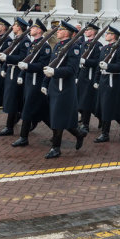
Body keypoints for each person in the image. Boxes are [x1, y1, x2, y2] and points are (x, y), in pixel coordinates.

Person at [41, 22, 86, 159]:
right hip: (55, 86)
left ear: (67, 33)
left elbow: (72, 70)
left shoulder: (74, 48)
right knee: (59, 117)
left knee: (58, 118)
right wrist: (45, 83)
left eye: (60, 30)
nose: (58, 32)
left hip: (65, 88)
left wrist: (54, 72)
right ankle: (79, 134)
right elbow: (51, 65)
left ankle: (56, 148)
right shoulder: (59, 46)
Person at [12, 19, 53, 147]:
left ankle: (23, 138)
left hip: (37, 82)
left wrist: (27, 68)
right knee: (43, 113)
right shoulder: (33, 44)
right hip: (29, 81)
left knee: (27, 109)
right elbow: (27, 62)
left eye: (34, 28)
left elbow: (42, 65)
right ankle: (71, 132)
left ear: (39, 30)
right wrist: (22, 74)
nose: (31, 29)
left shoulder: (45, 47)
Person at [0, 17, 30, 136]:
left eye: (15, 25)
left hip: (16, 72)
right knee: (11, 99)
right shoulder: (16, 39)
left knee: (13, 99)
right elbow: (10, 53)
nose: (12, 27)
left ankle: (9, 126)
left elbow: (23, 57)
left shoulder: (25, 41)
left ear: (19, 27)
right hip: (11, 70)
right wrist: (5, 67)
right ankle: (13, 122)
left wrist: (8, 59)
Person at [94, 26, 120, 142]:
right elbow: (99, 65)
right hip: (104, 80)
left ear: (113, 36)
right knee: (104, 106)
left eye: (108, 33)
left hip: (113, 81)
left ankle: (105, 134)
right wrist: (96, 80)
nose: (106, 35)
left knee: (107, 107)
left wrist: (108, 66)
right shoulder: (104, 48)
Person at [76, 22, 102, 133]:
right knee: (80, 100)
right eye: (85, 30)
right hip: (82, 74)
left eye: (88, 30)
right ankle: (96, 116)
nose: (85, 31)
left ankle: (85, 124)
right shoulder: (83, 44)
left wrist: (86, 61)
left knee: (86, 101)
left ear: (94, 31)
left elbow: (98, 62)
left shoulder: (98, 45)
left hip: (90, 76)